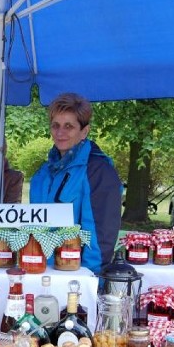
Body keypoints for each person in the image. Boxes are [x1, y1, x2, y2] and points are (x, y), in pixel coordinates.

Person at [29, 92, 122, 274]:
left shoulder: (98, 171)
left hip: (76, 276)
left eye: (68, 126)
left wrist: (86, 279)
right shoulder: (42, 173)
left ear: (84, 131)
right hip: (41, 272)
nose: (60, 132)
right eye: (55, 125)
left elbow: (100, 238)